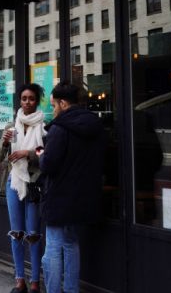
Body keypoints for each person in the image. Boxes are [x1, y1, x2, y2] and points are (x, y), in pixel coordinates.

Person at [39, 82, 105, 293]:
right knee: (70, 244)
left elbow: (49, 164)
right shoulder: (95, 125)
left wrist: (41, 155)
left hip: (59, 197)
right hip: (83, 196)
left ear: (64, 103)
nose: (53, 109)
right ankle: (71, 290)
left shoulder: (60, 128)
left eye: (54, 105)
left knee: (53, 248)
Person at [0, 84, 46, 293]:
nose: (27, 102)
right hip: (13, 182)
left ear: (37, 101)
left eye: (31, 98)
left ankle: (35, 281)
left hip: (33, 183)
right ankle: (19, 279)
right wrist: (6, 144)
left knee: (33, 233)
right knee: (16, 232)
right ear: (20, 101)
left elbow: (46, 156)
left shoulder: (44, 127)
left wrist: (28, 153)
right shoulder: (11, 125)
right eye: (24, 98)